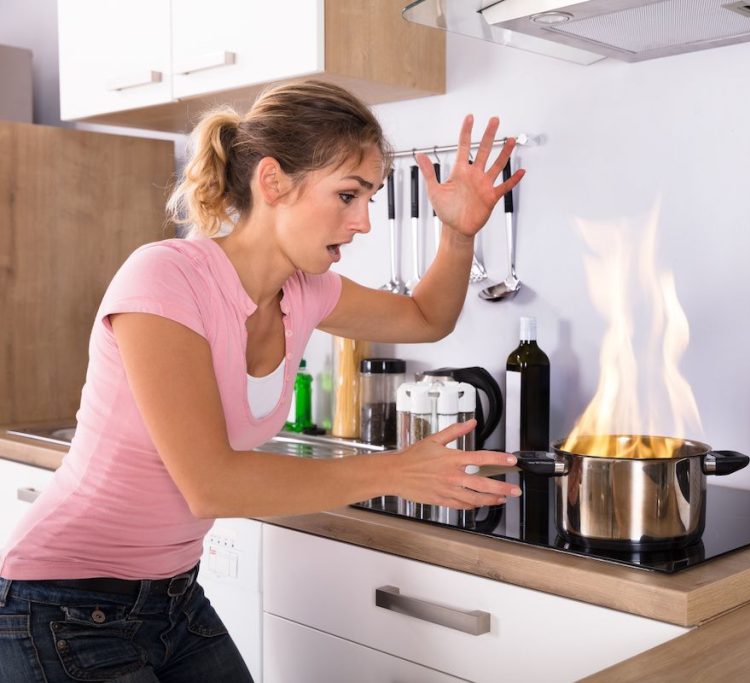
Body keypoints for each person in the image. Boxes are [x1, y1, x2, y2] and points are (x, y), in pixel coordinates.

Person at [0, 79, 525, 682]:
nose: (362, 223)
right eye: (348, 195)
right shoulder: (166, 278)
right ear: (273, 181)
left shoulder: (304, 291)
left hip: (172, 600)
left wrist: (458, 234)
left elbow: (428, 318)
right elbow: (212, 484)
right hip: (61, 607)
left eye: (370, 198)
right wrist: (398, 471)